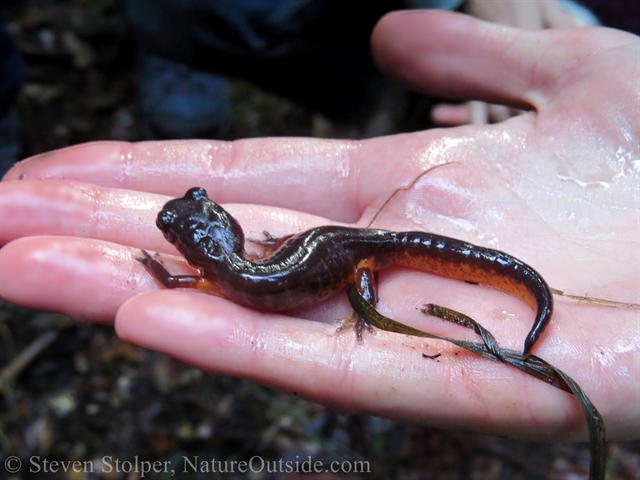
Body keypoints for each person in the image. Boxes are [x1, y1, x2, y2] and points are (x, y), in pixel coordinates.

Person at [0, 10, 638, 442]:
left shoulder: (212, 274)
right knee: (342, 254)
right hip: (337, 247)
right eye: (180, 222)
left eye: (196, 206)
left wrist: (361, 306)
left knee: (368, 266)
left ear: (214, 232)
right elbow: (182, 283)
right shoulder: (223, 274)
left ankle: (381, 303)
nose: (185, 218)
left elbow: (176, 283)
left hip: (356, 256)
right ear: (216, 233)